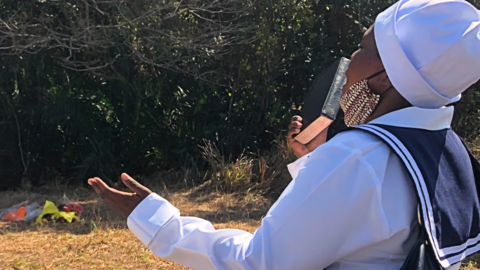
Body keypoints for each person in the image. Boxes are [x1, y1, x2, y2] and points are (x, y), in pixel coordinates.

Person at [88, 0, 480, 269]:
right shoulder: (449, 152)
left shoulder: (357, 158)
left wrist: (156, 220)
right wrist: (314, 162)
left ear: (384, 76)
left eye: (361, 50)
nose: (347, 64)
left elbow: (261, 262)